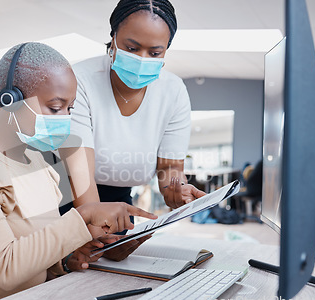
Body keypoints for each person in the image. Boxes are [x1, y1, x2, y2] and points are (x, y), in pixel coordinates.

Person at [0, 42, 156, 300]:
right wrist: (83, 218)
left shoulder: (34, 161)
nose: (64, 118)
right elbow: (7, 269)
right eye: (55, 107)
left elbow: (35, 247)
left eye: (70, 109)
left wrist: (64, 261)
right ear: (11, 101)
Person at [59, 0, 206, 260]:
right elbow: (80, 174)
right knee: (69, 265)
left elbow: (170, 169)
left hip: (118, 197)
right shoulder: (79, 80)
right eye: (132, 47)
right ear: (113, 38)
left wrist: (177, 189)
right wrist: (100, 237)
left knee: (113, 258)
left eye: (154, 52)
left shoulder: (173, 92)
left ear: (165, 51)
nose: (141, 59)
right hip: (68, 194)